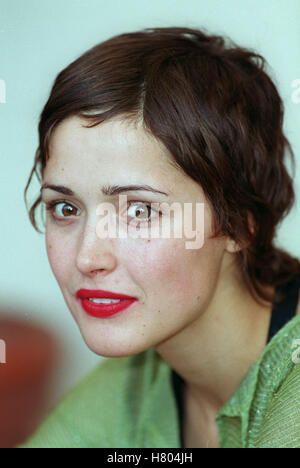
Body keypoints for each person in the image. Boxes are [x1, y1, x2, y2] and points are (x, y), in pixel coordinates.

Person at [20, 26, 300, 448]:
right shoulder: (137, 378)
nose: (87, 257)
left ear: (240, 222)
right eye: (66, 208)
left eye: (140, 211)